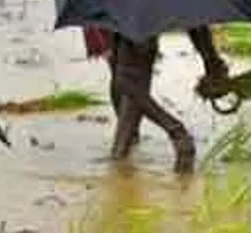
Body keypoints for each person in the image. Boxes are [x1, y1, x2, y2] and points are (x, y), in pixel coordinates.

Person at [82, 24, 231, 174]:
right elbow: (192, 15)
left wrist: (212, 62)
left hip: (127, 22)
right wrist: (212, 63)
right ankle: (121, 154)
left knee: (125, 79)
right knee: (127, 76)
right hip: (133, 24)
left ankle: (177, 134)